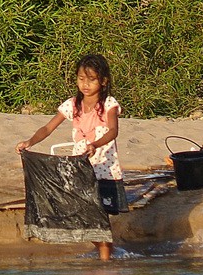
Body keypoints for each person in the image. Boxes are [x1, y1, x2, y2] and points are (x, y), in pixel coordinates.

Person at [16, 54, 125, 261]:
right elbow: (48, 128)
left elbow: (113, 131)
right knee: (86, 215)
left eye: (91, 80)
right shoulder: (73, 105)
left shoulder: (109, 104)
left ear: (103, 81)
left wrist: (95, 145)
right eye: (81, 79)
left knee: (99, 218)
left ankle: (105, 261)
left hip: (104, 169)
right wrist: (29, 142)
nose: (85, 84)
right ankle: (107, 255)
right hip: (80, 169)